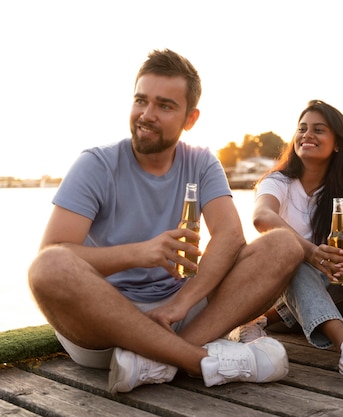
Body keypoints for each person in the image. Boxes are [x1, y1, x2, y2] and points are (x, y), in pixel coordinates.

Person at [28, 49, 304, 394]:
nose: (147, 114)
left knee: (283, 245)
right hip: (106, 327)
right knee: (47, 267)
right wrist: (141, 253)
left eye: (164, 106)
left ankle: (157, 361)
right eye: (141, 101)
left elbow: (230, 236)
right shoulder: (96, 165)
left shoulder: (202, 162)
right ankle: (197, 361)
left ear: (190, 118)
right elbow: (54, 252)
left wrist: (181, 304)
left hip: (179, 318)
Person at [229, 100, 343, 389]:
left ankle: (257, 321)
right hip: (289, 287)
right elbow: (261, 216)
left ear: (337, 144)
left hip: (337, 295)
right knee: (292, 255)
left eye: (319, 130)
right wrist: (310, 252)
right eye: (302, 129)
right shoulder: (278, 181)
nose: (307, 135)